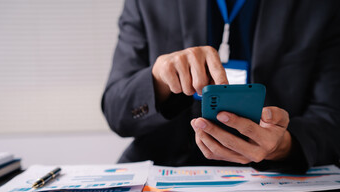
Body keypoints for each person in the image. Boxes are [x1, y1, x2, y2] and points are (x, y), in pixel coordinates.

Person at [101, 0, 340, 173]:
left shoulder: (321, 7)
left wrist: (284, 146)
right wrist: (159, 81)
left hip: (274, 178)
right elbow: (117, 112)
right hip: (165, 168)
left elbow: (331, 119)